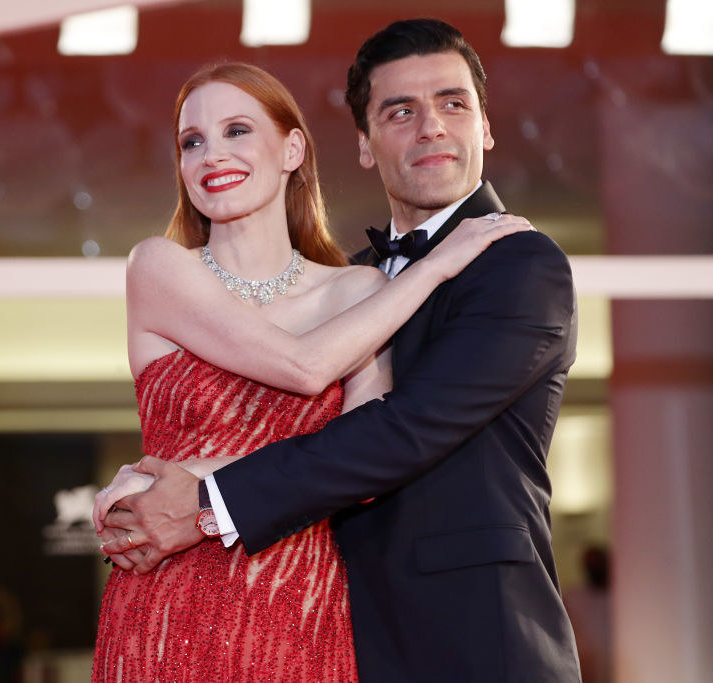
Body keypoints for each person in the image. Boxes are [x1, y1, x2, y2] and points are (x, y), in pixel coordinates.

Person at [100, 19, 582, 682]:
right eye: (401, 111)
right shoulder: (354, 282)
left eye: (452, 103)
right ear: (364, 143)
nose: (431, 127)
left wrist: (203, 496)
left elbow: (401, 430)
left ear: (486, 126)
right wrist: (155, 480)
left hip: (470, 636)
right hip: (334, 619)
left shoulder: (517, 262)